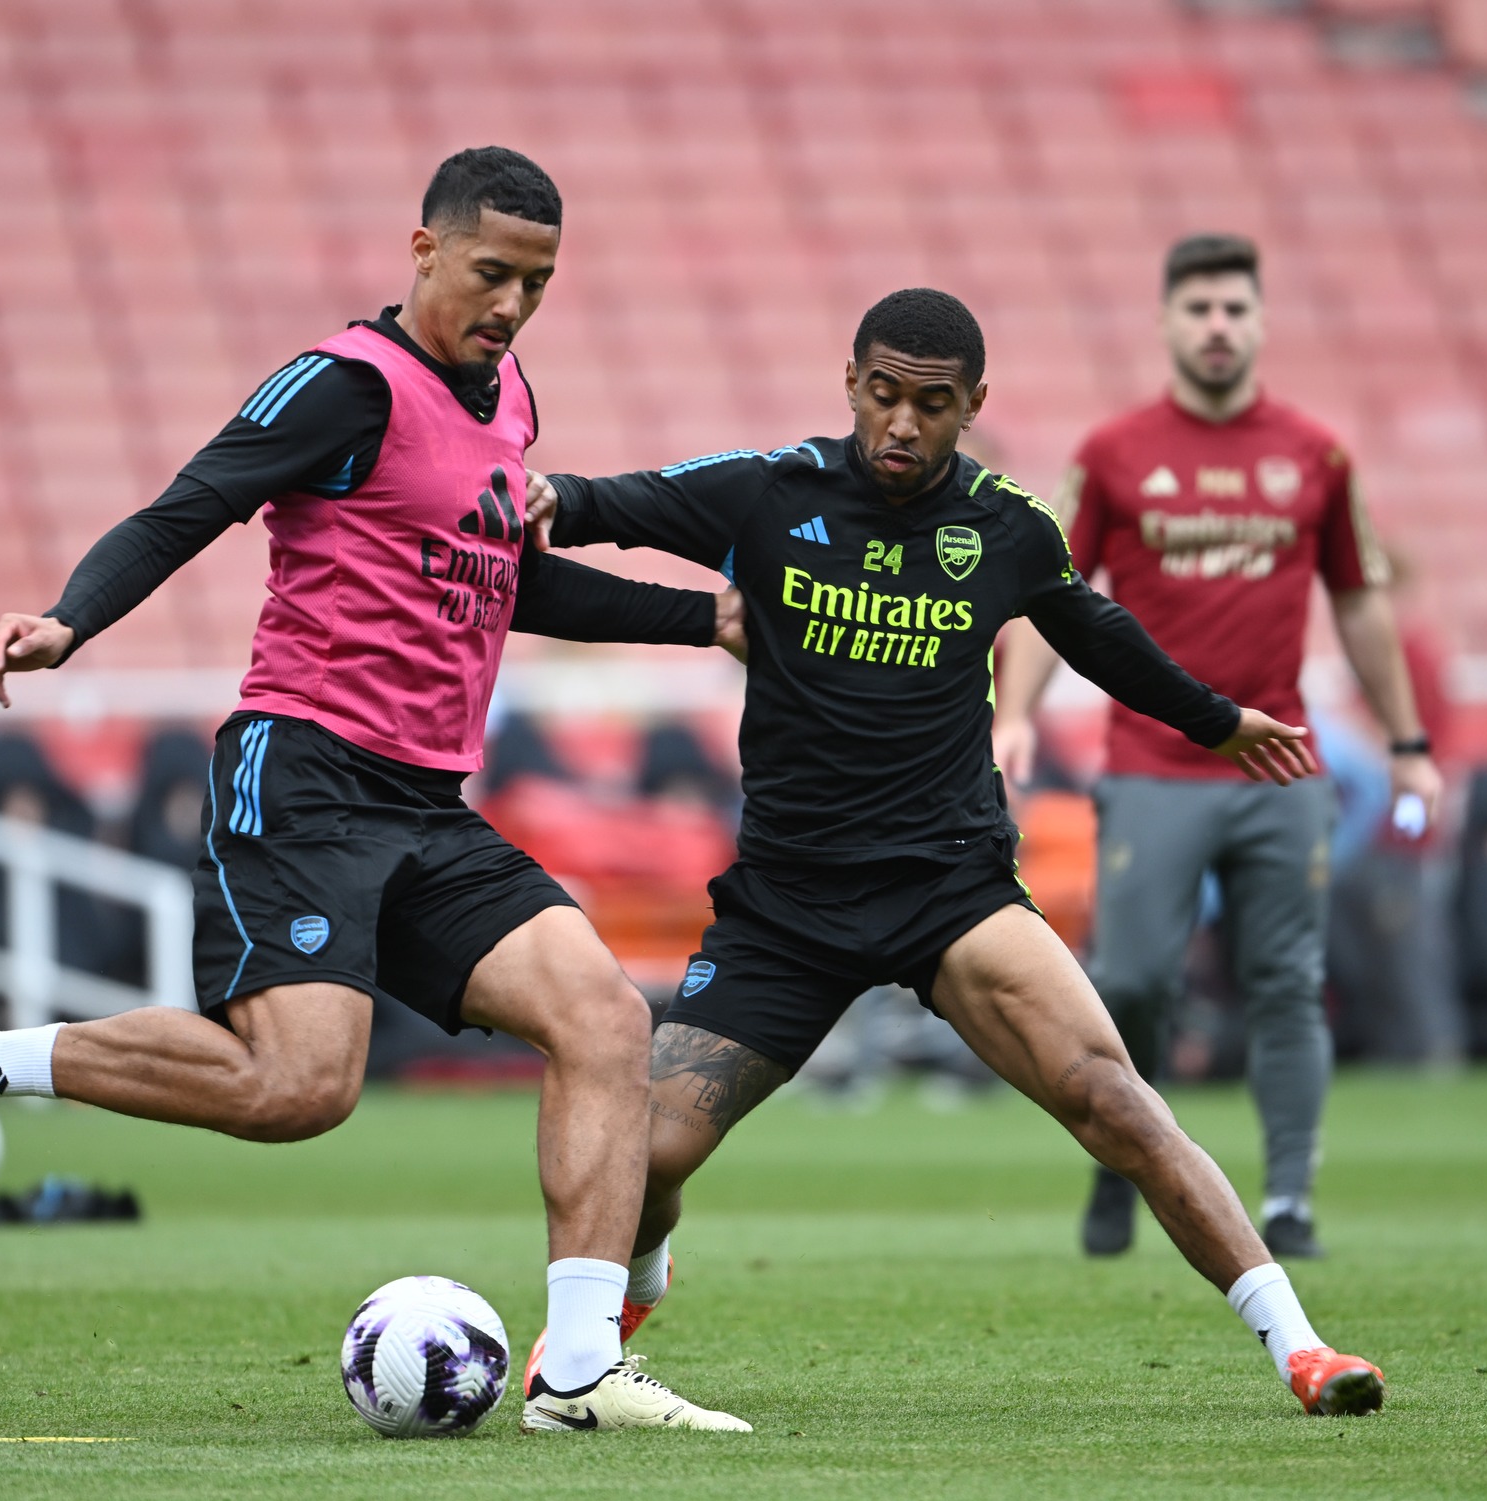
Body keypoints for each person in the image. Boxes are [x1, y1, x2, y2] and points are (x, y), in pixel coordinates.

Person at [0, 147, 751, 1435]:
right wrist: (68, 620)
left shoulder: (507, 396)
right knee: (297, 1090)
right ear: (422, 250)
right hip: (303, 771)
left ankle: (578, 1372)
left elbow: (509, 583)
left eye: (535, 282)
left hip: (427, 797)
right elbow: (187, 506)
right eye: (490, 273)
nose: (512, 304)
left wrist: (705, 617)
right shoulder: (342, 385)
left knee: (602, 1019)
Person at [521, 288, 1387, 1417]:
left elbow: (1096, 633)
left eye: (931, 404)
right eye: (881, 394)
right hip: (786, 907)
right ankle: (624, 1301)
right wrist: (536, 493)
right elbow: (595, 503)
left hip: (951, 892)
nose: (899, 423)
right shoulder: (768, 492)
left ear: (970, 406)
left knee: (1115, 1104)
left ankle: (1301, 1349)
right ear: (849, 382)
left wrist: (1215, 720)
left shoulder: (1006, 525)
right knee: (647, 1148)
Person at [990, 235, 1444, 1262]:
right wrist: (1013, 709)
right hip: (1150, 768)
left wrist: (1406, 741)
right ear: (1165, 321)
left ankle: (1288, 1198)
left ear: (1259, 322)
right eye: (1197, 309)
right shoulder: (1111, 455)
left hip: (1279, 765)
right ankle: (1122, 1161)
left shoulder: (1314, 455)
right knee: (1137, 977)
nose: (1215, 327)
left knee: (1284, 977)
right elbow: (1045, 596)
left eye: (1233, 309)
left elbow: (1360, 601)